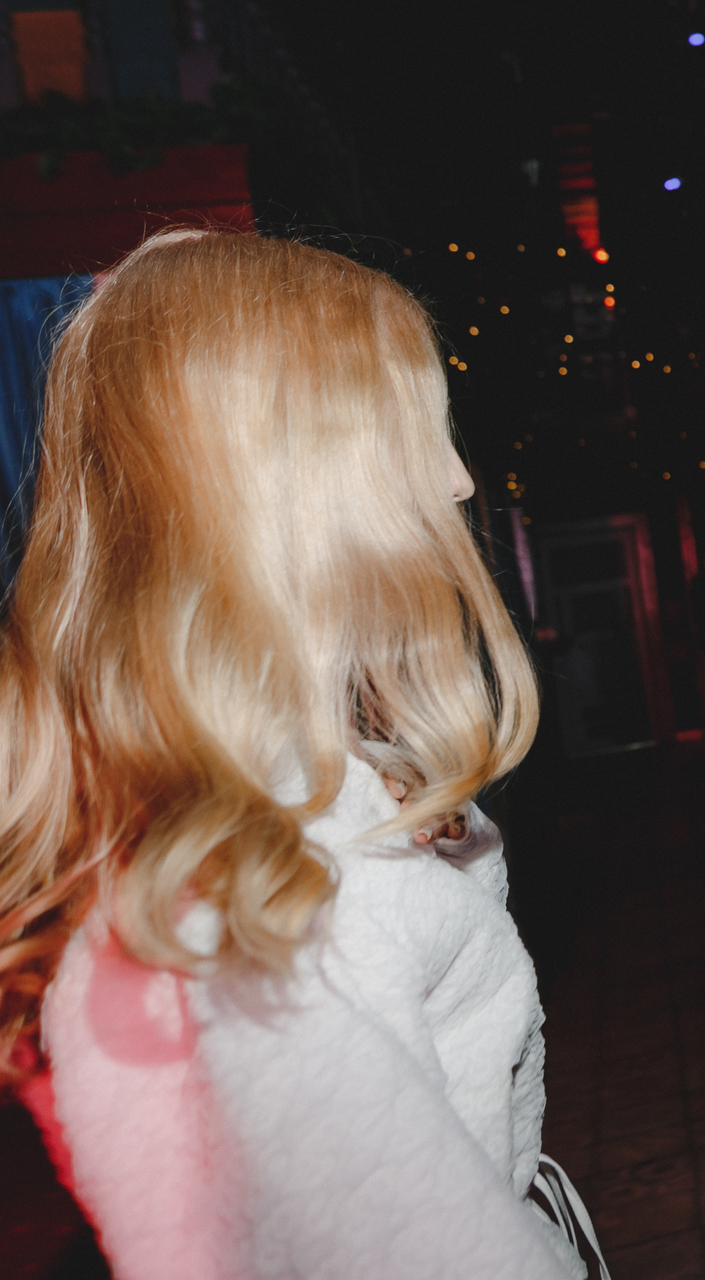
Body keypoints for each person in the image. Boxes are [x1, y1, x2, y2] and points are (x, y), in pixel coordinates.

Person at [0, 232, 599, 1279]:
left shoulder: (235, 804)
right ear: (285, 486)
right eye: (413, 434)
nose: (459, 480)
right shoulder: (274, 888)